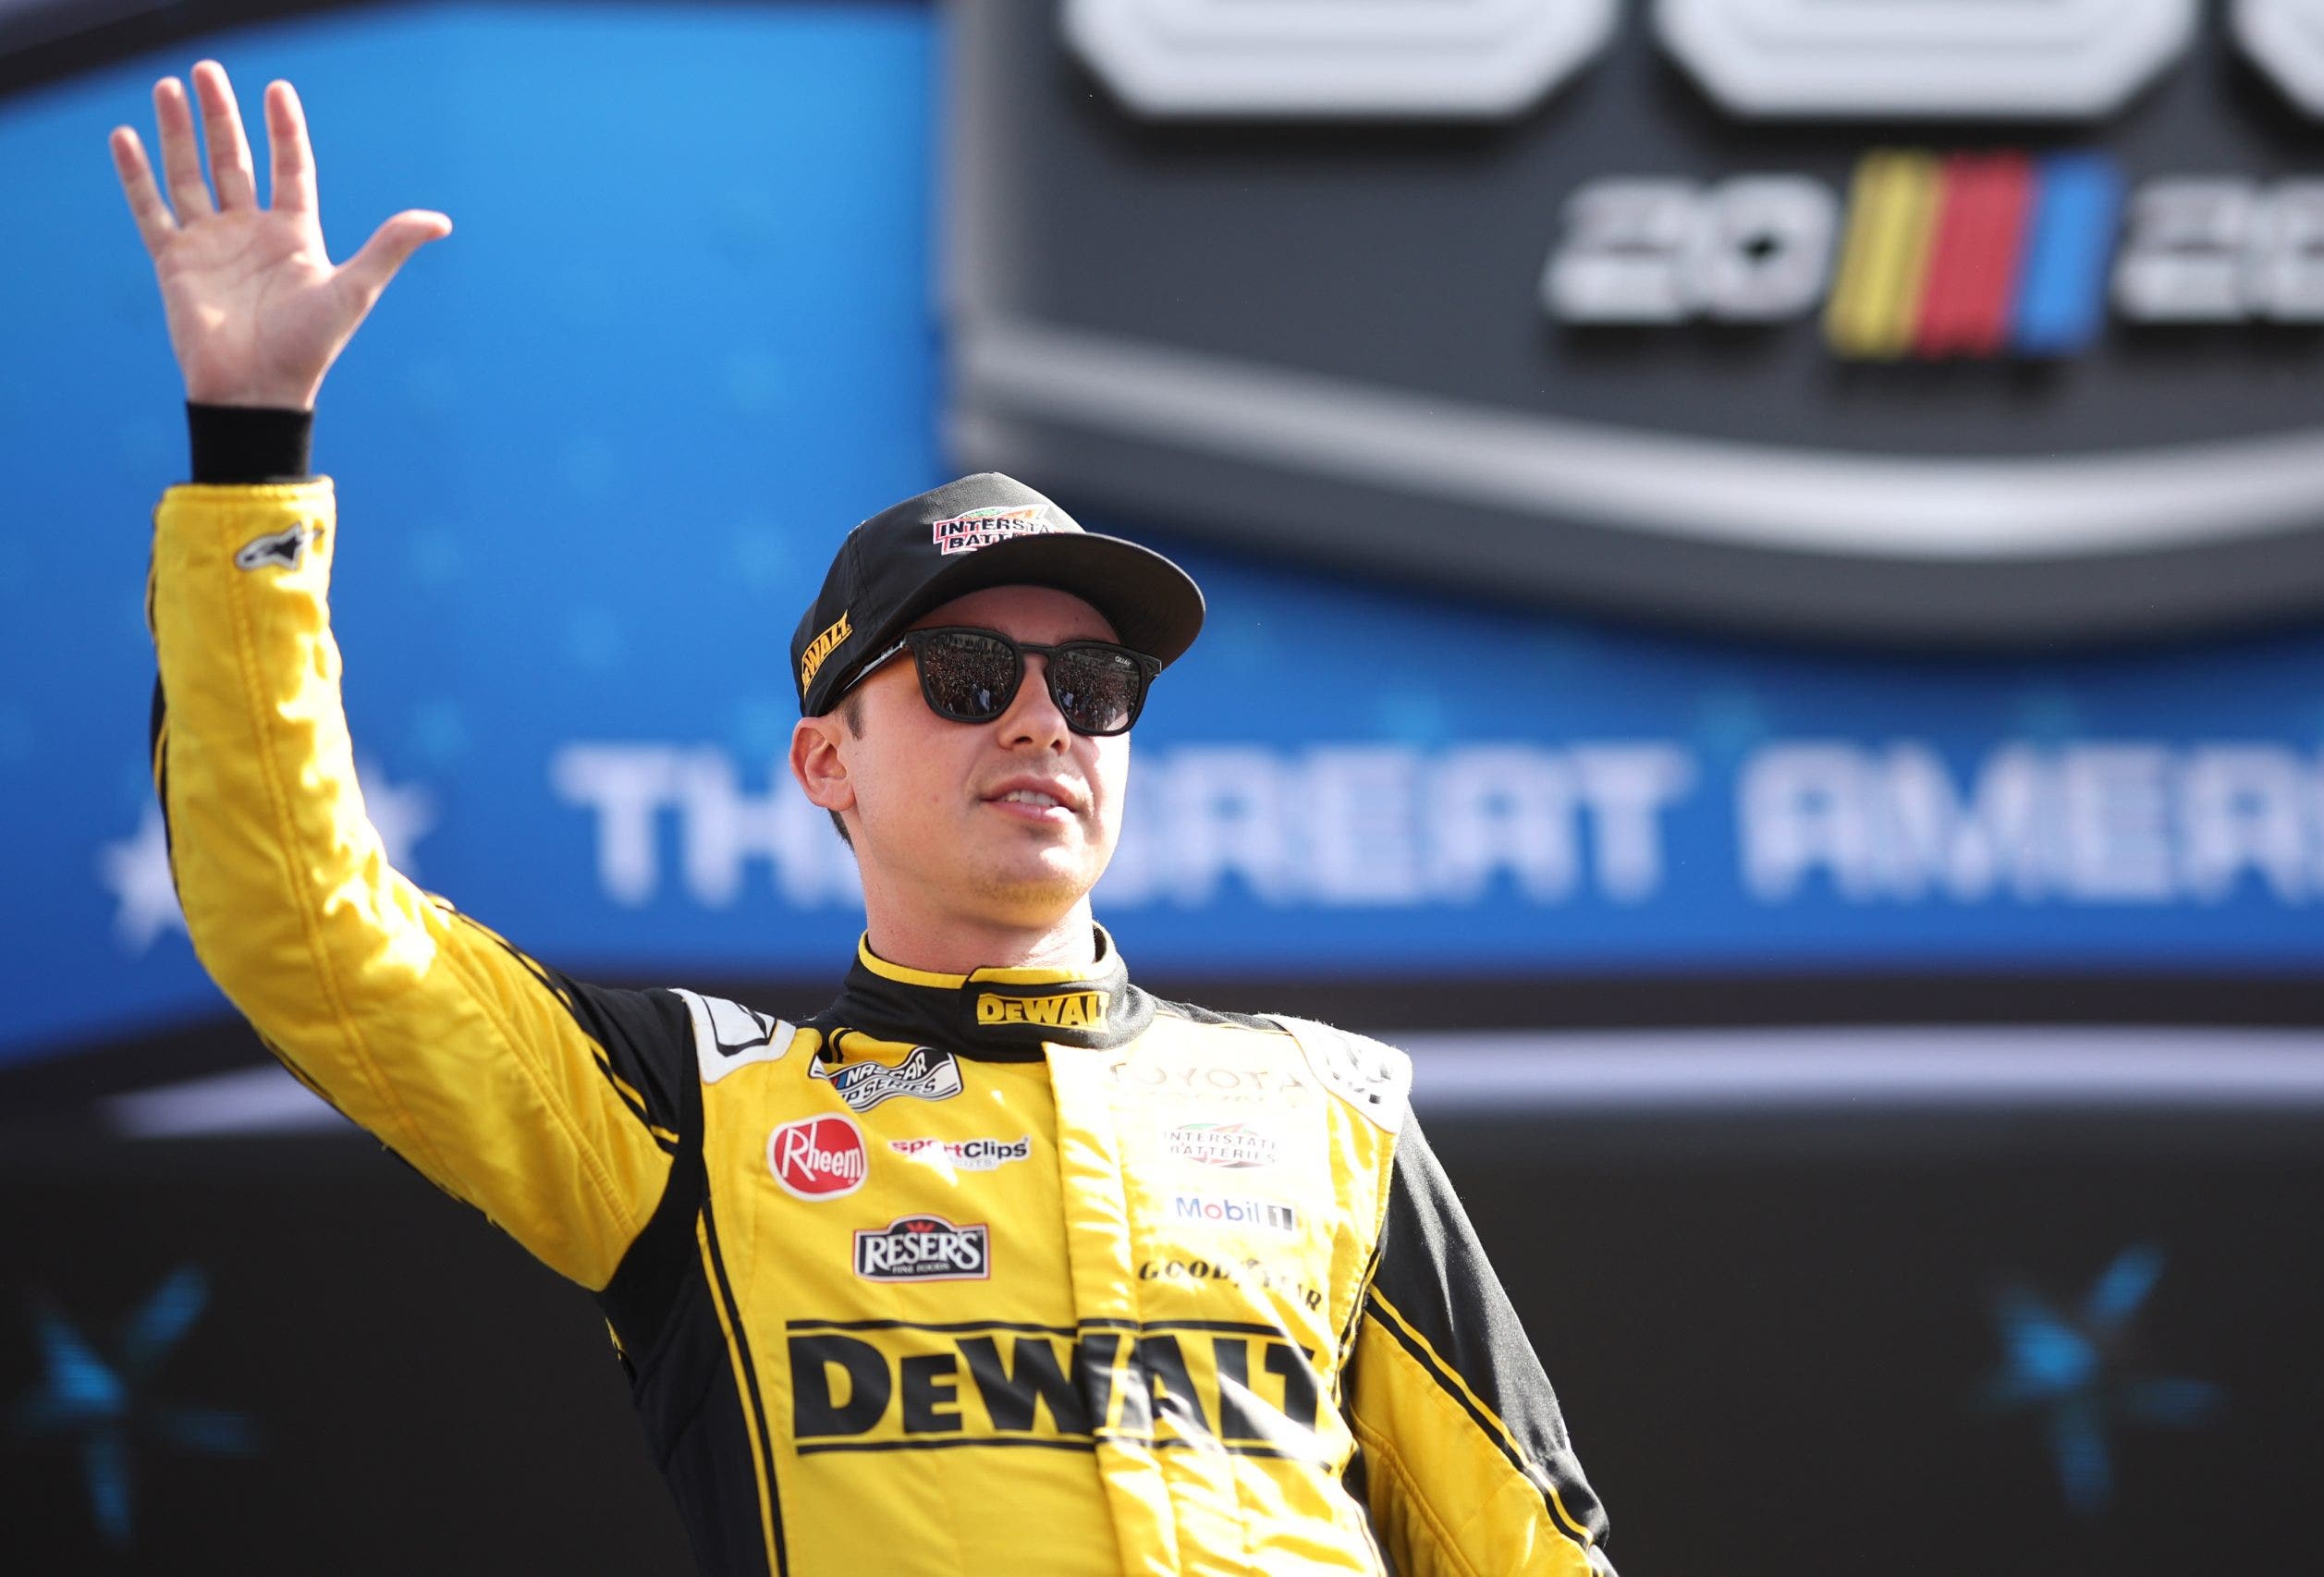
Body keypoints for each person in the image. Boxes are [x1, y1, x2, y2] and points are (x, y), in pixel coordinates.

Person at [113, 59, 1618, 1577]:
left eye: (1093, 684)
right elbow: (307, 924)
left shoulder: (1330, 1111)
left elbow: (1532, 1550)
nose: (1041, 719)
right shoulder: (700, 1119)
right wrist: (250, 453)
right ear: (824, 760)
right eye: (968, 674)